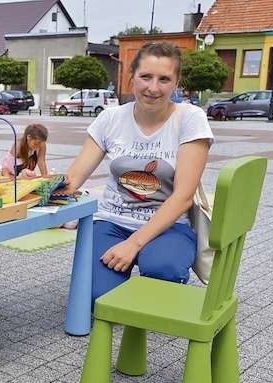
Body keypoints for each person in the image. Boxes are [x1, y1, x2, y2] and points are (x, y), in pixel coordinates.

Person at [62, 41, 213, 306]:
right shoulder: (110, 118)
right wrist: (44, 188)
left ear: (176, 82)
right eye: (145, 77)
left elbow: (183, 198)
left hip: (169, 225)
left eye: (164, 79)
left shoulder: (190, 118)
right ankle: (122, 274)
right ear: (131, 76)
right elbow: (74, 178)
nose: (153, 88)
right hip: (111, 220)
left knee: (162, 269)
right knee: (98, 298)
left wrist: (134, 244)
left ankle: (155, 265)